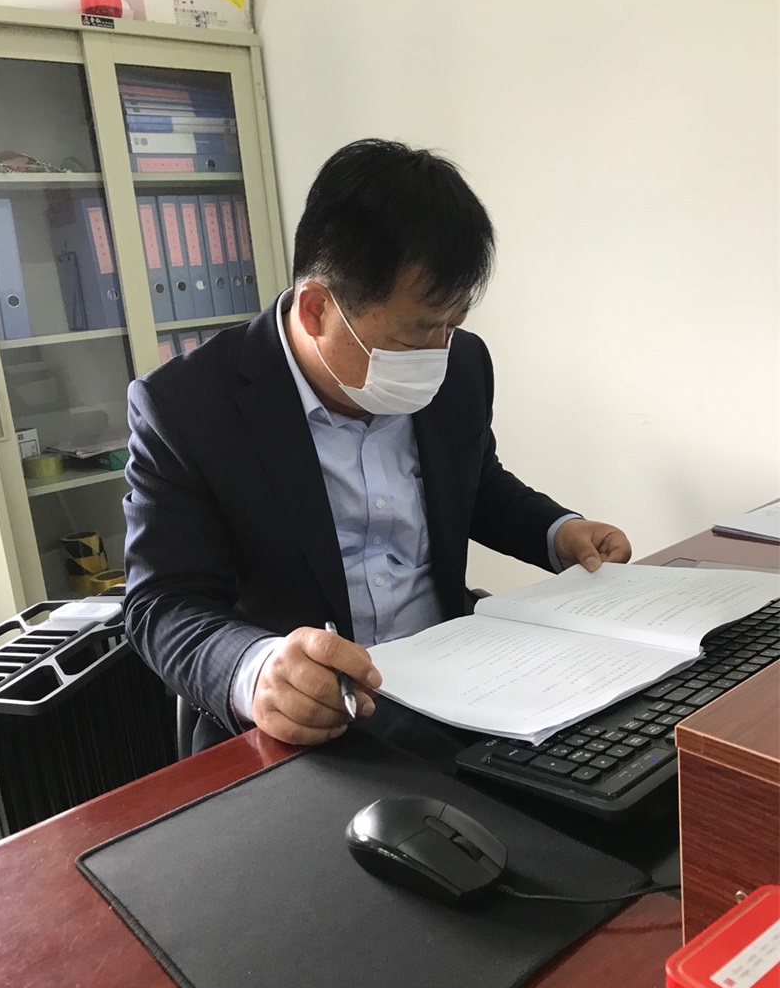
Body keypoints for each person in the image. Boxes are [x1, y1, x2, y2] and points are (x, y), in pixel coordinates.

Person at [123, 139, 631, 755]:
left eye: (453, 324)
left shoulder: (461, 365)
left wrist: (557, 532)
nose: (438, 352)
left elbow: (475, 484)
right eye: (416, 334)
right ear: (317, 309)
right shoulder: (187, 407)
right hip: (313, 724)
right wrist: (256, 671)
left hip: (462, 685)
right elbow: (162, 605)